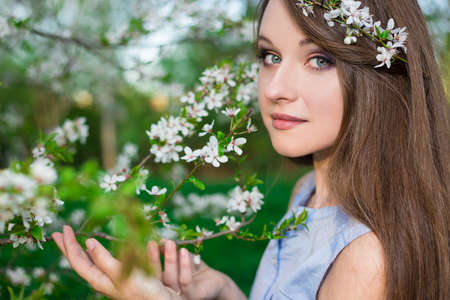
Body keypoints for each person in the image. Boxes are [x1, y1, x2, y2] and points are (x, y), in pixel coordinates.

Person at [52, 0, 450, 299]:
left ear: (380, 75)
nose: (275, 88)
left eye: (320, 59)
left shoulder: (367, 259)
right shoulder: (307, 191)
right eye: (270, 56)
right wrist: (225, 290)